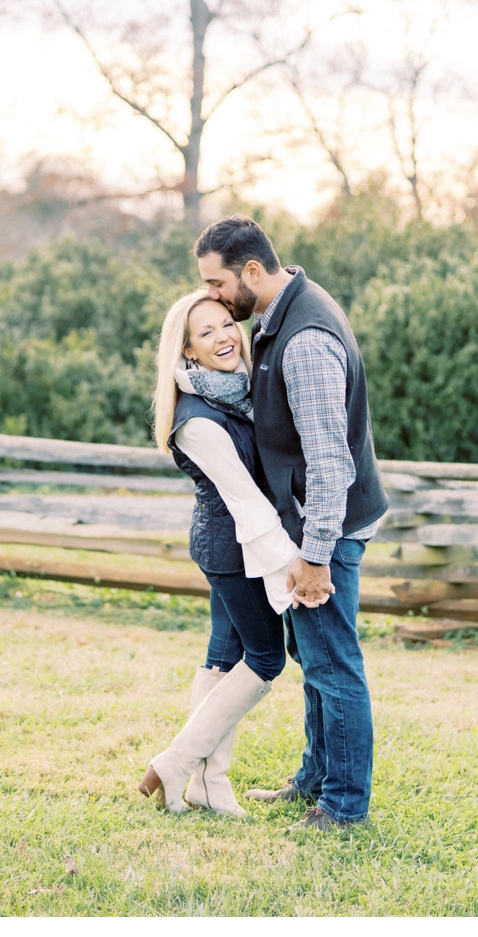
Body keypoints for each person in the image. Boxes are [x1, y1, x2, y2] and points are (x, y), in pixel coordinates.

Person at [193, 215, 388, 833]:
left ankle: (344, 806)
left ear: (252, 271)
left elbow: (331, 460)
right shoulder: (285, 314)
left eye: (217, 283)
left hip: (324, 531)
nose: (214, 297)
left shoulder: (302, 340)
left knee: (333, 664)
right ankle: (314, 778)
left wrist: (317, 554)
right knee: (314, 657)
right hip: (311, 527)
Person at [137, 289, 299, 817]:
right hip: (231, 547)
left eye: (226, 323)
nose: (224, 336)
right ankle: (176, 763)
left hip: (234, 540)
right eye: (205, 333)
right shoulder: (199, 420)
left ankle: (211, 783)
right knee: (267, 658)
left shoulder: (236, 393)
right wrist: (293, 563)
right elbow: (247, 502)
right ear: (187, 352)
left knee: (221, 657)